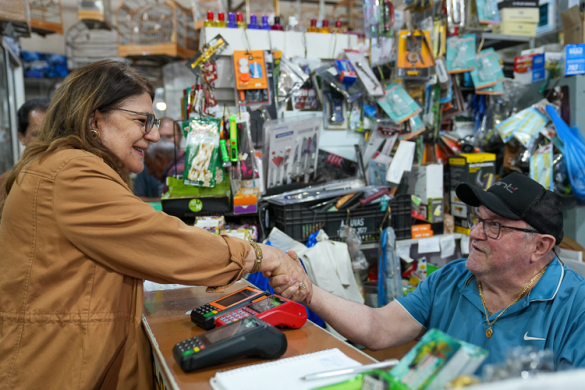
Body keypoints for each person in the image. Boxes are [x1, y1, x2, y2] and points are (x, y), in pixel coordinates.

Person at [0, 60, 313, 390]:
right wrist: (263, 255)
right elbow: (165, 242)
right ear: (94, 119)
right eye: (141, 121)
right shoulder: (71, 173)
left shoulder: (62, 166)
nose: (152, 134)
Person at [272, 173, 585, 370]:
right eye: (478, 219)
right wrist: (309, 291)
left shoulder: (575, 307)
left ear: (540, 247)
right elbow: (378, 328)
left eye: (493, 226)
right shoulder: (452, 278)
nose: (475, 233)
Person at [0, 99, 50, 186]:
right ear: (22, 137)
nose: (48, 141)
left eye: (55, 134)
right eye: (38, 134)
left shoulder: (73, 175)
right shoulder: (7, 183)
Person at [133, 118, 179, 201]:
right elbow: (137, 197)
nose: (164, 141)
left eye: (169, 136)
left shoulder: (185, 166)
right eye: (160, 136)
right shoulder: (146, 166)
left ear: (180, 136)